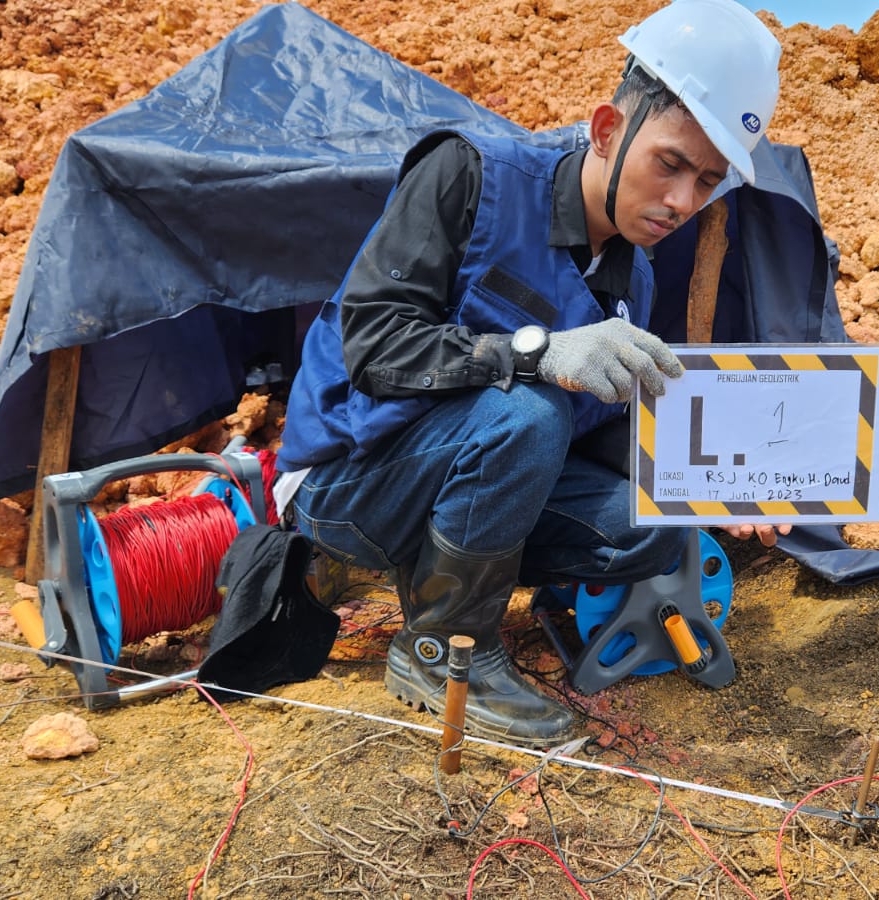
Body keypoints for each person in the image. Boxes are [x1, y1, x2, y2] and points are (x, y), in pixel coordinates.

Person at [276, 0, 787, 747]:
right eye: (670, 164)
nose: (682, 202)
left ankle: (450, 586)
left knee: (652, 524)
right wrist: (536, 352)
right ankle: (441, 651)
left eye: (707, 182)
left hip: (464, 483)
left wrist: (705, 480)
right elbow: (377, 348)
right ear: (609, 130)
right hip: (346, 477)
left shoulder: (630, 281)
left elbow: (599, 433)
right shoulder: (469, 176)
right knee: (531, 410)